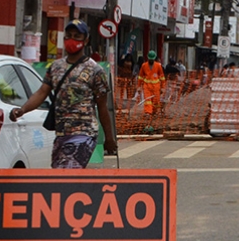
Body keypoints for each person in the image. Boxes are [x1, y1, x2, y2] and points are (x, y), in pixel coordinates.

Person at [9, 20, 117, 168]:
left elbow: (103, 107)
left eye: (77, 36)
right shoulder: (56, 67)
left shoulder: (95, 70)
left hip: (84, 133)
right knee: (60, 178)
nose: (72, 39)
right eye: (69, 35)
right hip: (61, 134)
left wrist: (109, 138)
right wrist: (22, 110)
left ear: (86, 40)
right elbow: (41, 93)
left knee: (67, 171)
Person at [138, 50, 166, 114]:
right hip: (147, 86)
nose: (151, 61)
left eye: (152, 59)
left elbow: (162, 77)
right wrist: (139, 87)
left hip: (156, 87)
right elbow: (140, 77)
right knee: (147, 100)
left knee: (155, 101)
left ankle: (154, 111)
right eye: (150, 59)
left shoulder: (158, 66)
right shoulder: (144, 66)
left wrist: (162, 87)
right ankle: (148, 112)